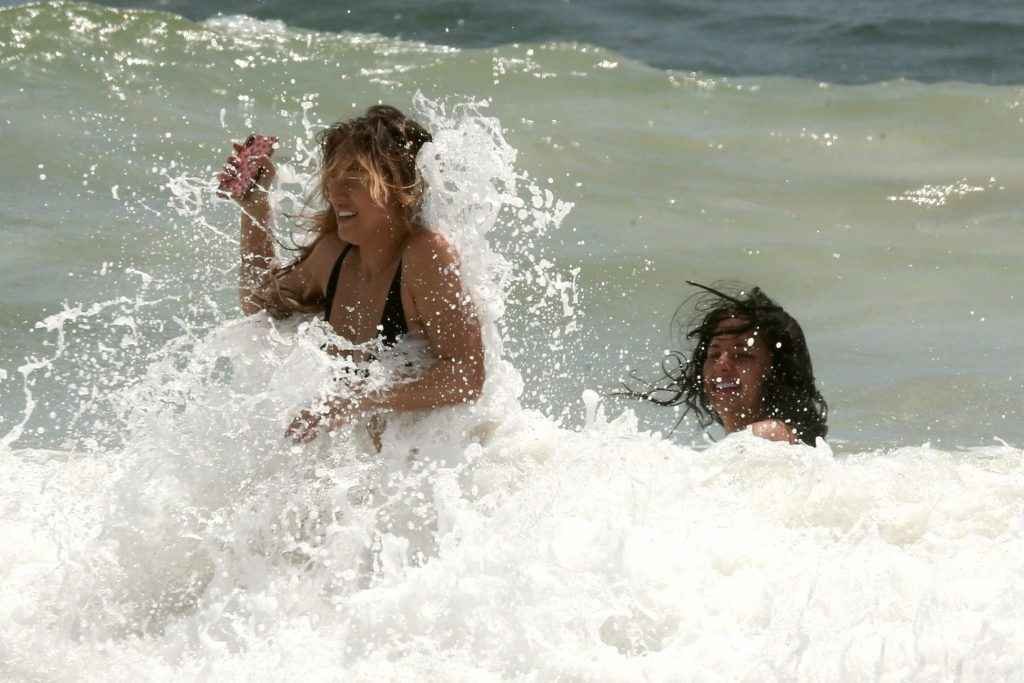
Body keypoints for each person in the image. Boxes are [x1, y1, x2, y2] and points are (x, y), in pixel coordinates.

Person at [220, 105, 485, 443]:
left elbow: (466, 377)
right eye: (333, 177)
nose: (335, 193)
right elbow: (256, 304)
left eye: (355, 179)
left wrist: (359, 402)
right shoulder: (334, 256)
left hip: (446, 472)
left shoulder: (426, 256)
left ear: (400, 188)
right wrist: (255, 209)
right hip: (371, 474)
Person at [627, 282, 827, 445]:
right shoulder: (757, 438)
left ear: (776, 372)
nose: (721, 364)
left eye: (741, 355)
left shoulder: (768, 434)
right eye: (714, 354)